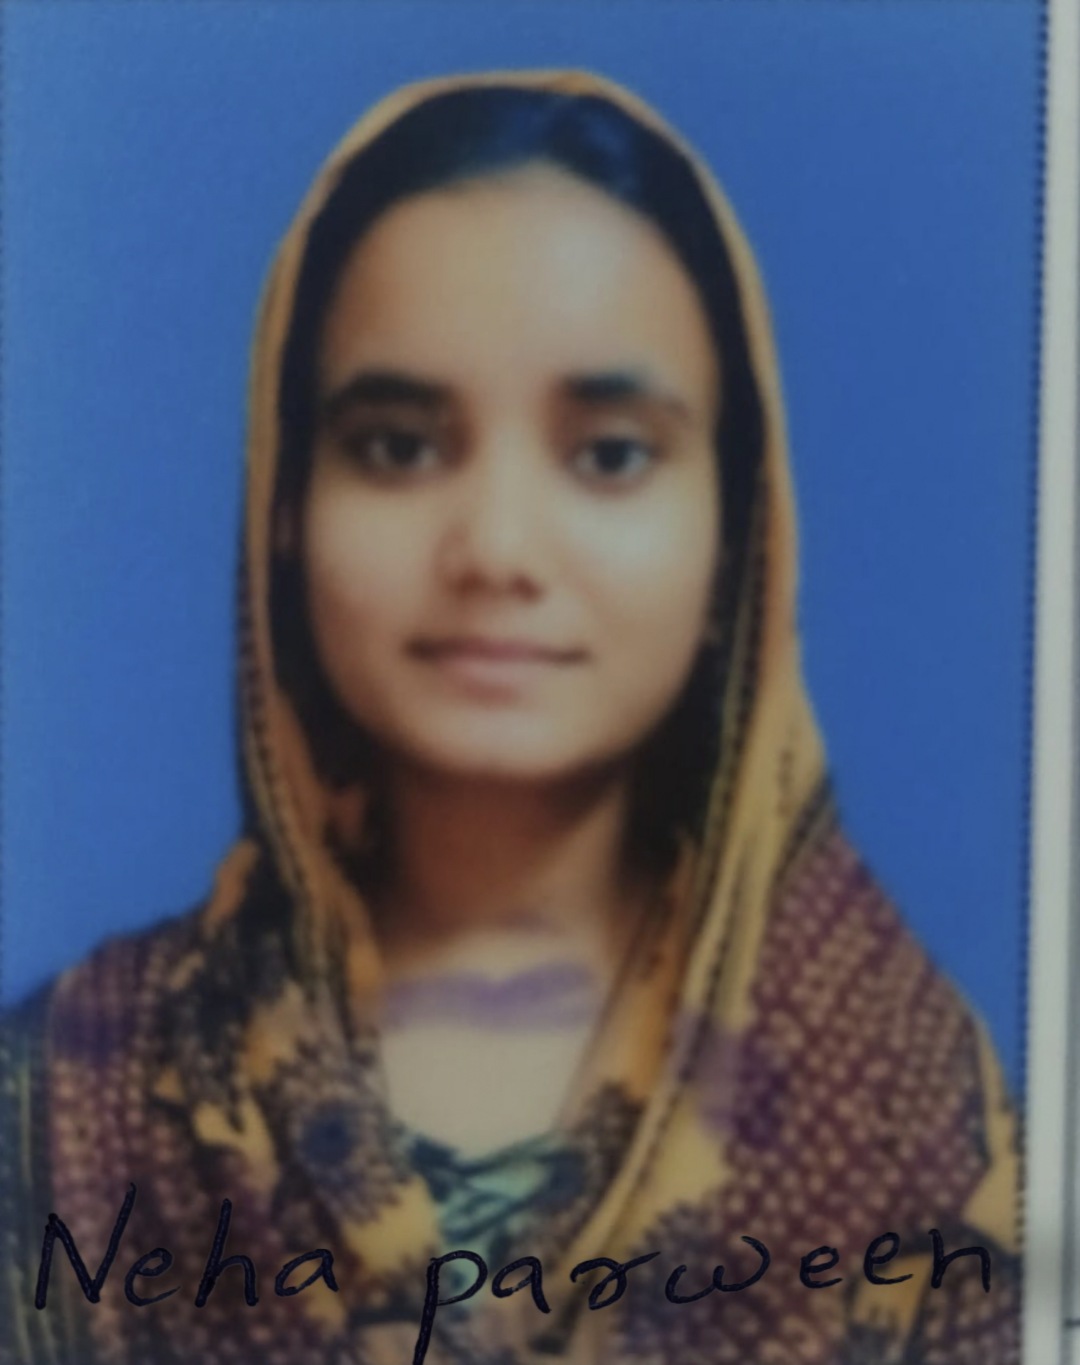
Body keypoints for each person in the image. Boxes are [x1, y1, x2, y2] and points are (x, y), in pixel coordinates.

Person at [0, 70, 1020, 1365]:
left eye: (609, 454)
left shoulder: (904, 1104)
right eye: (397, 446)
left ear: (736, 540)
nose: (495, 548)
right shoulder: (67, 1099)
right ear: (285, 510)